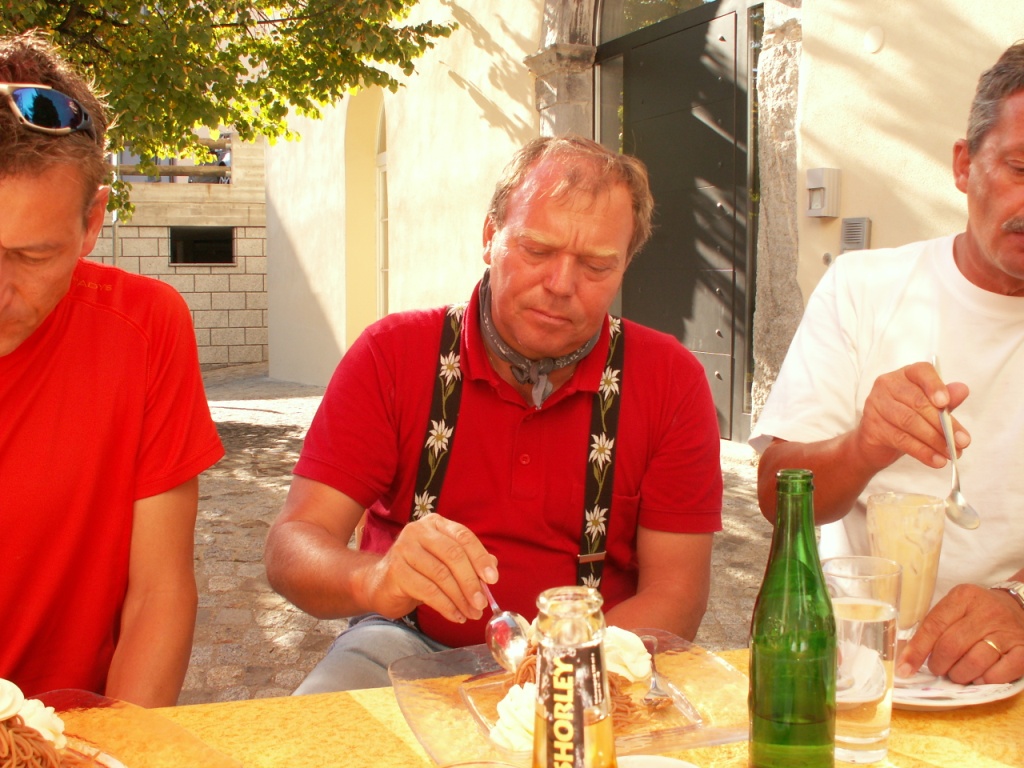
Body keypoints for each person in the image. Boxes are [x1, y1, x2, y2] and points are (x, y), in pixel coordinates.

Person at [264, 135, 723, 692]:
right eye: (536, 250)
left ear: (626, 264)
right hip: (402, 647)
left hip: (594, 658)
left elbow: (677, 596)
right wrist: (375, 578)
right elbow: (292, 546)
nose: (560, 285)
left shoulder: (669, 380)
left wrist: (548, 675)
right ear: (490, 237)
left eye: (596, 265)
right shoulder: (392, 354)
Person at [751, 41, 1024, 686]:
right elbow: (776, 493)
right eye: (1020, 168)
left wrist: (1018, 603)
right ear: (964, 165)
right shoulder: (865, 287)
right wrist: (864, 446)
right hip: (857, 669)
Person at [0, 33, 224, 706]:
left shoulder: (145, 327)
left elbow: (159, 592)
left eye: (32, 257)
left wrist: (121, 750)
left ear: (93, 220)